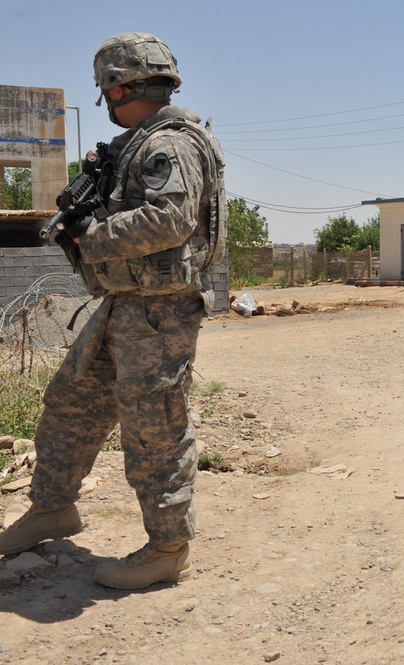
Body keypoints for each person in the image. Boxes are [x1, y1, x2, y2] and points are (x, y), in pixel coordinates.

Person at [0, 32, 227, 589]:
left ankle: (167, 549)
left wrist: (93, 234)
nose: (108, 101)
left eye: (109, 89)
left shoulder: (167, 145)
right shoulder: (145, 141)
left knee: (155, 428)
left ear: (121, 86)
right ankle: (52, 509)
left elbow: (170, 221)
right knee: (71, 402)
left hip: (159, 312)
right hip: (126, 305)